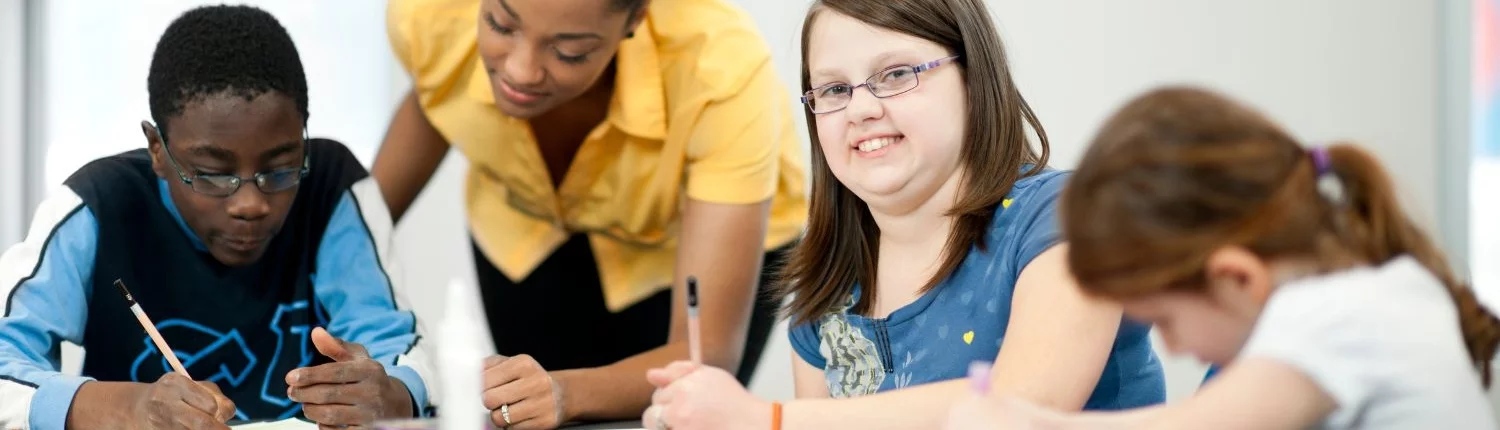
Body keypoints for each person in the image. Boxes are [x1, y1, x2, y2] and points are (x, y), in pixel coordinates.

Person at [641, 0, 1167, 428]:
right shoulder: (826, 280)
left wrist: (770, 419)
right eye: (834, 89)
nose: (862, 108)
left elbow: (1024, 404)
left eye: (895, 74)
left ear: (973, 76)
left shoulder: (1065, 217)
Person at [942, 87, 1500, 429]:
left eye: (1165, 319)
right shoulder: (1385, 289)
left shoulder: (1339, 320)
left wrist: (1024, 420)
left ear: (1237, 276)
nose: (1173, 346)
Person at [377, 0, 807, 427]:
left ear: (636, 18)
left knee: (674, 415)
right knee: (529, 411)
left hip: (685, 253)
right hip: (529, 232)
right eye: (501, 24)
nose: (521, 70)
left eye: (569, 52)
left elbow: (703, 353)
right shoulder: (428, 12)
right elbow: (436, 94)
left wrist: (565, 393)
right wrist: (344, 243)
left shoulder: (720, 68)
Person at [0, 6, 433, 429]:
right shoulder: (97, 206)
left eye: (280, 169)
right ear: (157, 149)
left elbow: (403, 353)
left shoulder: (332, 188)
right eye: (211, 174)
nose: (250, 203)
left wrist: (392, 394)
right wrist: (127, 408)